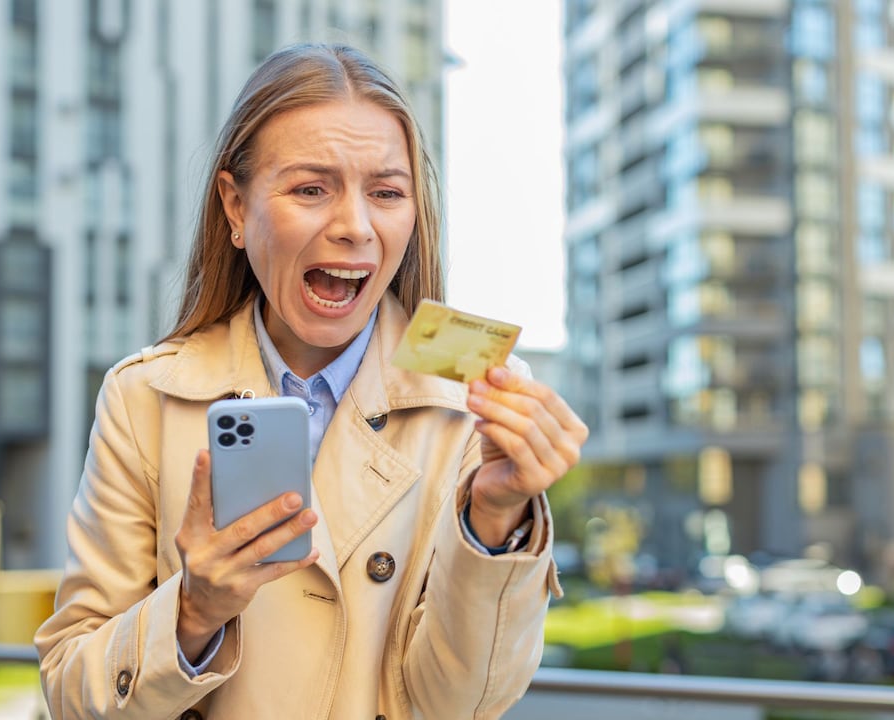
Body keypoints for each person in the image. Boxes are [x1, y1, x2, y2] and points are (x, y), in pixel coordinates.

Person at [34, 43, 587, 720]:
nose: (355, 227)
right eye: (310, 189)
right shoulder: (144, 400)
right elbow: (71, 695)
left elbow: (463, 706)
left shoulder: (471, 409)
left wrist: (495, 519)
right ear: (235, 209)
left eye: (386, 192)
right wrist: (193, 610)